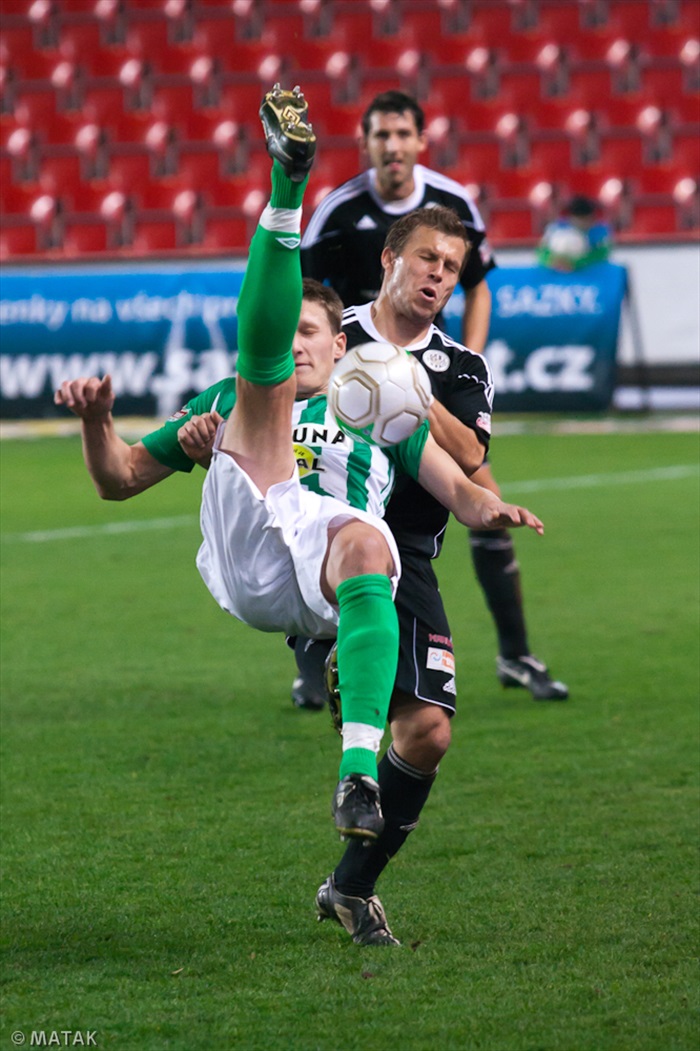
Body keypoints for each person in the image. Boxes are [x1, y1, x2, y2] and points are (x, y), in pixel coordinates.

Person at [56, 84, 544, 947]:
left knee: (425, 727)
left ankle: (352, 860)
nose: (439, 275)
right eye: (425, 259)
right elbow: (122, 475)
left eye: (451, 267)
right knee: (266, 395)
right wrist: (113, 421)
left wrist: (486, 501)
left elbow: (463, 474)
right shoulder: (261, 386)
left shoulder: (398, 387)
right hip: (259, 538)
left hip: (364, 564)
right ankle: (287, 182)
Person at [298, 89, 568, 705]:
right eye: (381, 136)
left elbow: (479, 288)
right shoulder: (338, 211)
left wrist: (455, 363)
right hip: (350, 377)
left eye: (402, 135)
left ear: (420, 141)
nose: (392, 146)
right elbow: (302, 293)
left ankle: (516, 652)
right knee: (323, 498)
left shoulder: (453, 205)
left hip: (418, 376)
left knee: (482, 496)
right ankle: (313, 653)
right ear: (365, 144)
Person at [537, 194, 613, 272]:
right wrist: (552, 261)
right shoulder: (556, 229)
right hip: (558, 275)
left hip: (590, 274)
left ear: (593, 218)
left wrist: (576, 263)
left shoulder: (600, 230)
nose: (583, 224)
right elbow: (541, 252)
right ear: (571, 218)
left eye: (586, 220)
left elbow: (603, 253)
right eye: (579, 220)